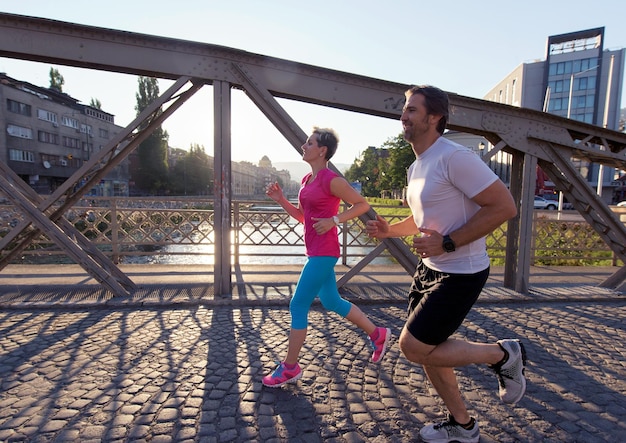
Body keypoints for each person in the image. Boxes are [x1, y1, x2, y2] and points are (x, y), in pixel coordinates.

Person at [366, 85, 525, 443]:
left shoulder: (455, 157)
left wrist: (449, 241)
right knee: (429, 351)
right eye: (404, 110)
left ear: (434, 117)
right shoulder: (416, 166)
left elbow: (504, 206)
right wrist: (391, 229)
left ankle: (503, 354)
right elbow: (423, 218)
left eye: (411, 110)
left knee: (413, 346)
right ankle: (463, 425)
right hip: (431, 270)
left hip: (462, 273)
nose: (403, 116)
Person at [262, 127, 391, 388]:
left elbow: (362, 205)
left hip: (324, 252)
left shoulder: (332, 180)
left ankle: (290, 368)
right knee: (332, 300)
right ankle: (378, 334)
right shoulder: (307, 180)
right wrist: (280, 200)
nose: (304, 146)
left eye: (309, 143)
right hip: (316, 250)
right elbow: (302, 217)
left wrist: (334, 220)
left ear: (322, 150)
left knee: (298, 306)